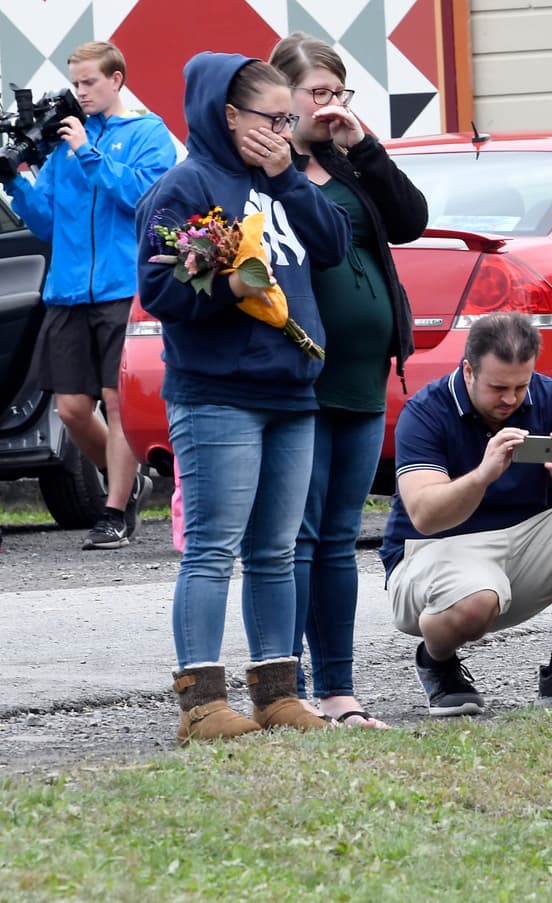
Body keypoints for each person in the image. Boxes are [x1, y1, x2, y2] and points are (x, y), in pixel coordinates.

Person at [135, 51, 352, 743]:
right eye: (273, 119)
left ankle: (277, 692)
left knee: (275, 549)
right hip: (217, 394)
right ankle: (202, 702)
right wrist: (232, 286)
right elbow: (160, 291)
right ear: (229, 116)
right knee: (212, 548)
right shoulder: (185, 185)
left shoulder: (280, 179)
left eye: (290, 121)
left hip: (291, 392)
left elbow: (333, 244)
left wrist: (287, 174)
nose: (284, 131)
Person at [269, 33, 428, 729]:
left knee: (339, 538)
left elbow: (410, 222)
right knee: (296, 538)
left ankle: (340, 693)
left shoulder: (349, 162)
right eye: (318, 94)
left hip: (364, 376)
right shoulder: (267, 171)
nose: (331, 106)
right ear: (285, 97)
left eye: (341, 93)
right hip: (299, 377)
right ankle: (291, 688)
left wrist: (362, 143)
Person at [380, 312, 552, 716]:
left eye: (520, 386)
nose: (511, 400)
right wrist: (483, 474)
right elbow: (425, 515)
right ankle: (436, 660)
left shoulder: (547, 397)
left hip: (516, 545)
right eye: (498, 387)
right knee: (476, 600)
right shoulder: (426, 411)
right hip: (431, 552)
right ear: (468, 371)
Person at [1, 41, 175, 550]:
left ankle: (115, 510)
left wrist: (87, 151)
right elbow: (48, 222)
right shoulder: (61, 147)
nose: (80, 93)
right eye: (75, 83)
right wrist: (20, 185)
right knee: (74, 409)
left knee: (119, 403)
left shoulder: (148, 133)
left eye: (89, 83)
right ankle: (127, 476)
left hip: (124, 289)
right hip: (68, 290)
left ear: (116, 80)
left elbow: (145, 200)